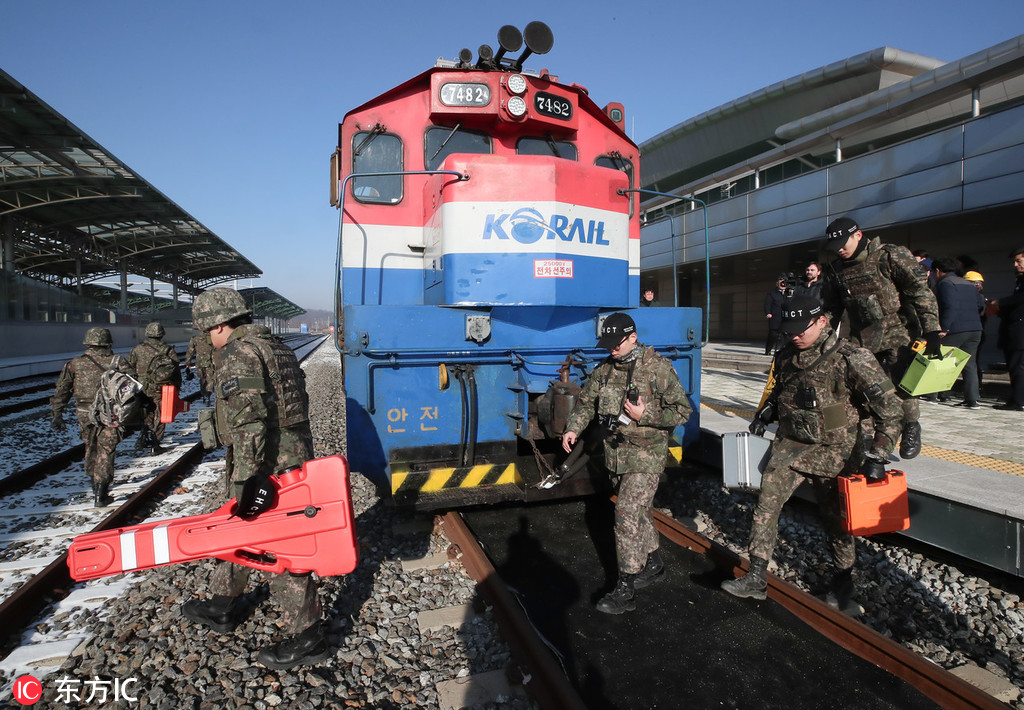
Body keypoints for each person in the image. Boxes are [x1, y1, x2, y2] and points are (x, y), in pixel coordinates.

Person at [721, 295, 902, 611]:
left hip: (836, 451)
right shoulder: (788, 354)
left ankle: (843, 583)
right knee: (766, 502)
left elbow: (891, 409)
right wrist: (769, 410)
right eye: (789, 329)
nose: (794, 335)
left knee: (836, 521)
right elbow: (782, 390)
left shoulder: (851, 358)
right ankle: (757, 576)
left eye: (801, 329)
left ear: (821, 321)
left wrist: (878, 455)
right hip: (791, 445)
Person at [181, 288, 328, 669]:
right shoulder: (273, 345)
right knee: (240, 527)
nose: (206, 338)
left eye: (205, 330)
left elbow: (249, 422)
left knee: (276, 541)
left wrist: (247, 478)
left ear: (218, 324)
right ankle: (222, 602)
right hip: (291, 454)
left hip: (265, 461)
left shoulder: (236, 353)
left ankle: (309, 634)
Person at [560, 313, 692, 614]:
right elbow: (586, 403)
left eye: (615, 343)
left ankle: (625, 587)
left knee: (626, 512)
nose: (611, 349)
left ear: (632, 337)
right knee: (641, 511)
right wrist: (573, 428)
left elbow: (683, 412)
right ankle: (654, 563)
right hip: (616, 456)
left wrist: (645, 416)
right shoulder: (605, 370)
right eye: (606, 344)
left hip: (647, 455)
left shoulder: (657, 369)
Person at [821, 217, 941, 459]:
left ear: (858, 235)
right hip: (862, 337)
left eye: (844, 243)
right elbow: (833, 308)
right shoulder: (836, 268)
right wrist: (821, 337)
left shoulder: (889, 256)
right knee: (864, 390)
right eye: (836, 247)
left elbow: (920, 293)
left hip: (899, 333)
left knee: (903, 387)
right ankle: (870, 437)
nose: (840, 250)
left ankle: (910, 426)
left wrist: (932, 330)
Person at [50, 328, 128, 506]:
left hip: (85, 413)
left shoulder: (75, 364)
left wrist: (57, 413)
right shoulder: (118, 362)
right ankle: (101, 491)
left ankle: (94, 482)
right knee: (106, 449)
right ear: (108, 343)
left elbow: (62, 390)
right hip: (111, 412)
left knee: (90, 445)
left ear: (87, 343)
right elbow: (132, 387)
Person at [931, 258, 984, 409]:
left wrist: (944, 328)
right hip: (975, 329)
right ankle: (972, 400)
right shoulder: (967, 283)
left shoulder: (945, 284)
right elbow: (980, 304)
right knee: (969, 364)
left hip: (956, 328)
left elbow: (949, 306)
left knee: (939, 358)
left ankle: (933, 395)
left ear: (937, 271)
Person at [127, 322, 182, 454]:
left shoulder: (137, 349)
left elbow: (129, 370)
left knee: (146, 413)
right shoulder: (168, 350)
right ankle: (155, 444)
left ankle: (144, 436)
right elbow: (175, 370)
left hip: (142, 388)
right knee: (161, 415)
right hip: (161, 388)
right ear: (161, 334)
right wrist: (177, 387)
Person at [987, 248, 1024, 411]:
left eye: (1019, 261)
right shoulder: (1020, 280)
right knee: (1015, 367)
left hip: (1020, 332)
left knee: (1018, 367)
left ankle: (1018, 401)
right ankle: (1016, 398)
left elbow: (1019, 299)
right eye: (1014, 262)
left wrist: (999, 304)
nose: (1015, 265)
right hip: (1014, 330)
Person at [963, 271, 987, 393]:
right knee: (973, 361)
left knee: (971, 361)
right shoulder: (980, 298)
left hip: (968, 331)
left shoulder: (973, 297)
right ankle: (975, 389)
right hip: (978, 331)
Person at [185, 330, 215, 404]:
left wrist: (188, 362)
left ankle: (205, 395)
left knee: (202, 380)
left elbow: (190, 351)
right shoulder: (211, 338)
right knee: (210, 379)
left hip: (199, 363)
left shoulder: (195, 338)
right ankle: (207, 395)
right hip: (209, 362)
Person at [763, 276, 788, 355]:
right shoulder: (772, 293)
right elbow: (767, 304)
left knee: (786, 335)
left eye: (784, 282)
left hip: (786, 317)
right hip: (775, 316)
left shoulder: (789, 293)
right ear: (777, 284)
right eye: (781, 282)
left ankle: (785, 351)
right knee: (773, 335)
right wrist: (768, 313)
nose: (783, 284)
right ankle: (768, 350)